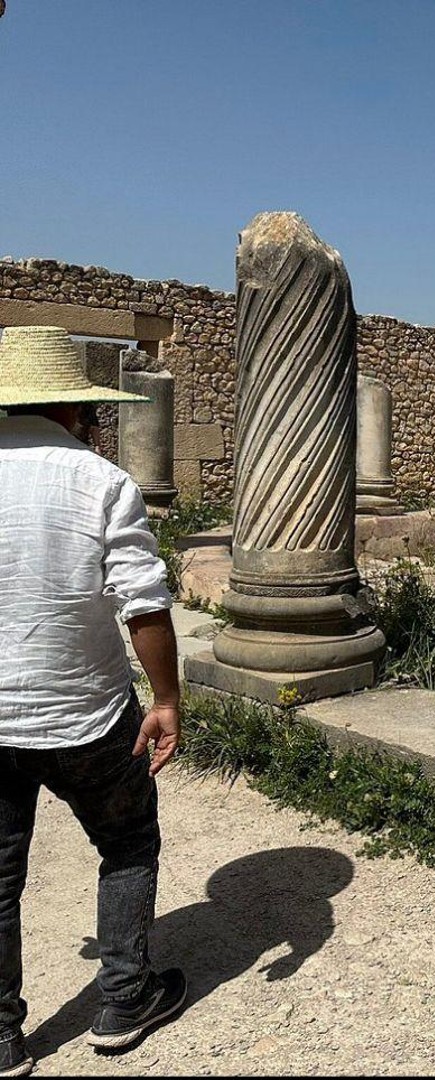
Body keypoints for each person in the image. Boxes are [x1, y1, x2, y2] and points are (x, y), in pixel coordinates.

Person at [0, 326, 186, 1078]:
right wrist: (167, 698)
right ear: (78, 408)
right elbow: (143, 606)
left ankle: (4, 1040)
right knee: (129, 844)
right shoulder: (101, 480)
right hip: (86, 716)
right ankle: (123, 999)